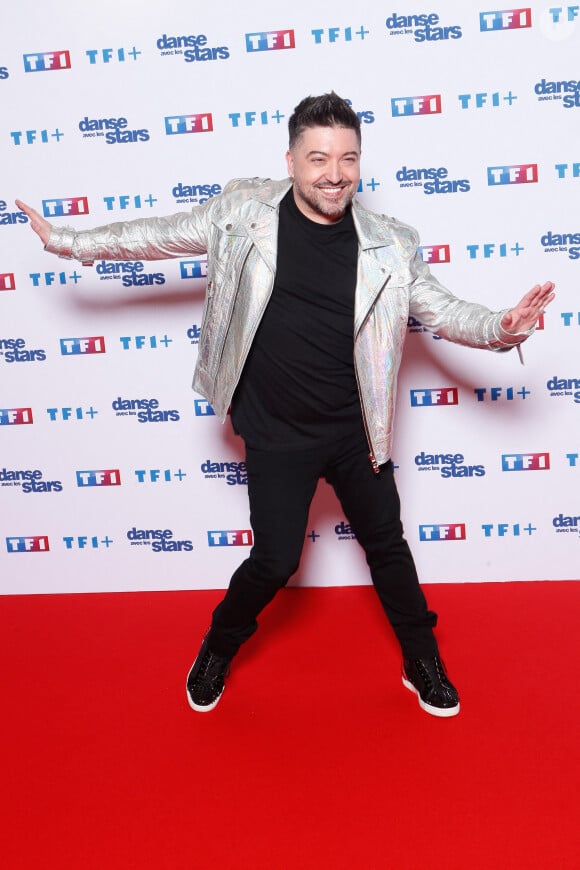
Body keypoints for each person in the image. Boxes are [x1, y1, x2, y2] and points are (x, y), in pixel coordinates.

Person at [17, 92, 554, 719]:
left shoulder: (390, 244)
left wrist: (504, 326)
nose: (335, 173)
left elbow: (443, 309)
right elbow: (157, 236)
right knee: (275, 560)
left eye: (349, 159)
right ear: (292, 160)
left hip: (358, 431)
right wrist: (66, 241)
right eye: (319, 158)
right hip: (277, 431)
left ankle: (421, 659)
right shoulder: (242, 214)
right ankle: (218, 645)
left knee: (388, 545)